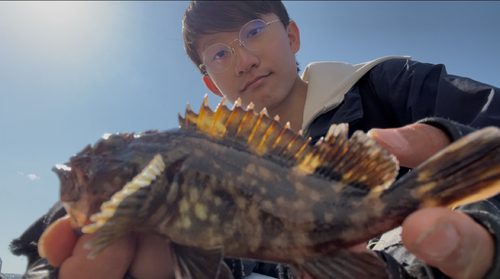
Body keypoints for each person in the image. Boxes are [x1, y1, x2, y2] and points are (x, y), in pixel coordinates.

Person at [10, 1, 500, 279]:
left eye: (253, 30)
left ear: (291, 36)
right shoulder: (186, 158)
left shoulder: (390, 85)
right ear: (210, 83)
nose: (243, 59)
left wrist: (451, 145)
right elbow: (49, 247)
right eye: (219, 52)